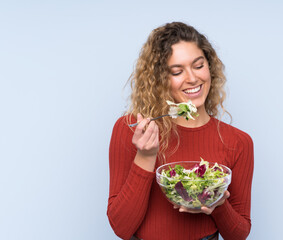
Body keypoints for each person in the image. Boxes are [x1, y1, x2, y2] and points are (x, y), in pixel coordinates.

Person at [107, 22, 254, 240]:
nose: (192, 78)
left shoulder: (238, 141)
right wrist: (146, 156)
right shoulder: (132, 129)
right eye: (177, 71)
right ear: (160, 80)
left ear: (210, 67)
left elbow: (239, 234)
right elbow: (121, 228)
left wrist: (218, 202)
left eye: (198, 65)